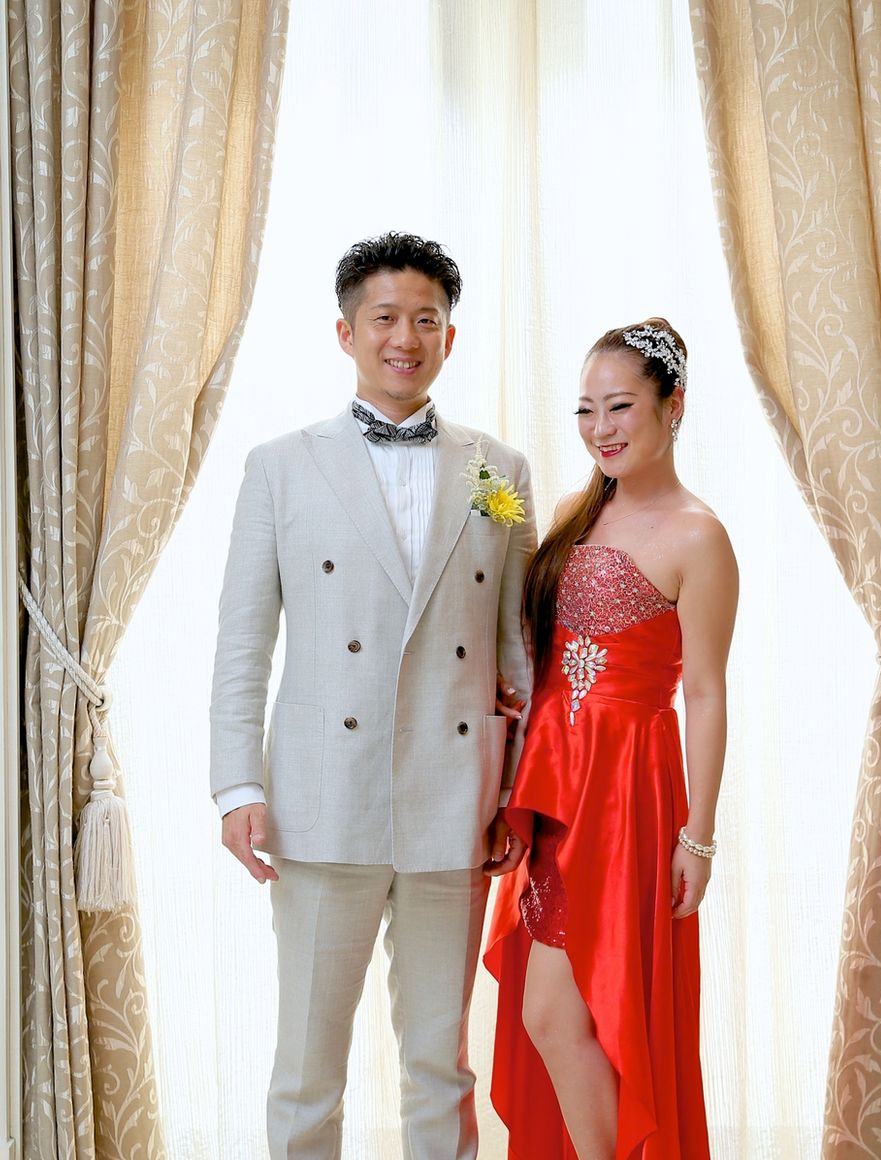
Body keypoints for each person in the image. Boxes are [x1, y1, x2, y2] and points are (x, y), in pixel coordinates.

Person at [209, 232, 537, 1160]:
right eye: (386, 318)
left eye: (426, 320)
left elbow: (517, 646)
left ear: (450, 337)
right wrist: (237, 786)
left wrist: (516, 790)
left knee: (440, 1065)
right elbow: (243, 640)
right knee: (308, 1069)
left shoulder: (497, 469)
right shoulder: (280, 464)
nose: (406, 338)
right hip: (321, 801)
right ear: (346, 331)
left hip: (456, 798)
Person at [485, 318, 737, 1159]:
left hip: (628, 795)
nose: (601, 428)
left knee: (577, 1008)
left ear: (674, 406)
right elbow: (537, 657)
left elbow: (705, 693)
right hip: (559, 788)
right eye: (586, 410)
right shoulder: (572, 514)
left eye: (621, 406)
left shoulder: (699, 536)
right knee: (558, 1013)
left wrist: (698, 838)